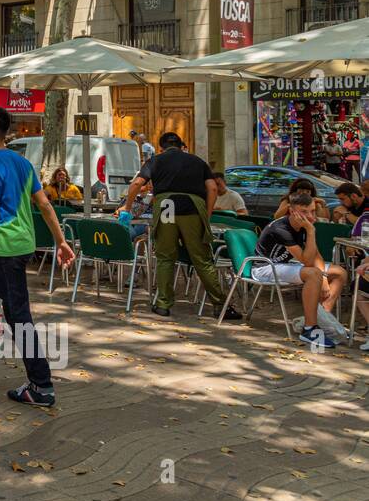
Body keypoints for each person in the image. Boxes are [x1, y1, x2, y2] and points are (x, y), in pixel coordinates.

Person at [0, 105, 76, 407]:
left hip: (7, 248)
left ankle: (42, 385)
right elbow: (45, 206)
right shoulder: (23, 164)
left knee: (18, 315)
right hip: (22, 245)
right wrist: (60, 241)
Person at [119, 132, 239, 320]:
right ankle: (221, 306)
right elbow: (213, 188)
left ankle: (163, 304)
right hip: (193, 208)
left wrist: (127, 208)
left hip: (166, 207)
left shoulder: (156, 161)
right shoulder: (198, 161)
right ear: (182, 145)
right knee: (202, 258)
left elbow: (136, 184)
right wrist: (205, 215)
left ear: (161, 147)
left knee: (165, 257)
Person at [255, 192, 350, 348]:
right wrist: (311, 231)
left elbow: (315, 254)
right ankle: (309, 330)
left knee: (339, 273)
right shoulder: (281, 228)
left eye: (312, 211)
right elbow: (306, 260)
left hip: (284, 265)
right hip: (264, 267)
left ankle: (319, 320)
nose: (310, 216)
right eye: (304, 212)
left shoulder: (304, 225)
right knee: (313, 274)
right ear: (292, 211)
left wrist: (325, 277)